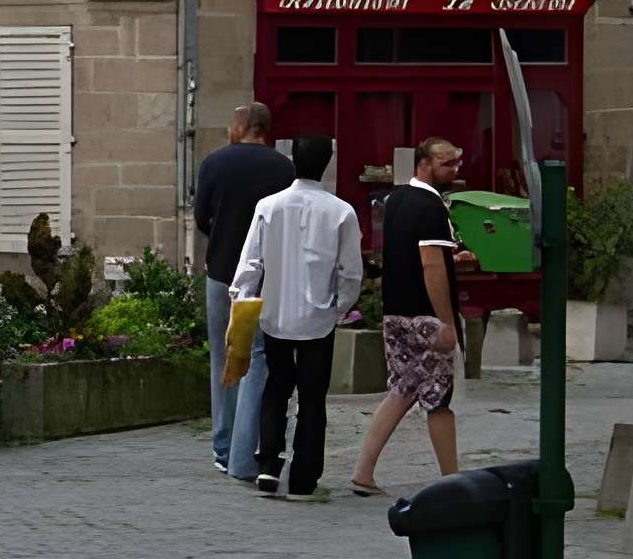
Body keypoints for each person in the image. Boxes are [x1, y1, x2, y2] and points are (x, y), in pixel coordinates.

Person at [229, 134, 363, 501]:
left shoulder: (268, 206)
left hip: (275, 311)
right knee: (312, 398)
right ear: (327, 163)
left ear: (292, 161)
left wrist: (243, 297)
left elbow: (251, 260)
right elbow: (350, 271)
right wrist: (339, 308)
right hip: (318, 316)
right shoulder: (340, 211)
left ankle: (269, 464)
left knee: (276, 387)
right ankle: (304, 478)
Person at [350, 138, 465, 496]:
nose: (454, 169)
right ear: (424, 164)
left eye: (456, 162)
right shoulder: (431, 205)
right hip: (424, 315)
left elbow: (409, 253)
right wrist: (446, 321)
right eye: (446, 163)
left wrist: (453, 258)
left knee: (401, 391)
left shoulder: (396, 199)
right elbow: (431, 263)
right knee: (439, 399)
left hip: (395, 312)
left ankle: (363, 472)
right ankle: (453, 483)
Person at [194, 101, 294, 478]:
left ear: (242, 125)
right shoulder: (284, 168)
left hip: (223, 270)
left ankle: (223, 446)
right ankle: (246, 447)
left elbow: (202, 216)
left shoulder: (215, 163)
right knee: (258, 360)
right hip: (268, 275)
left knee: (224, 357)